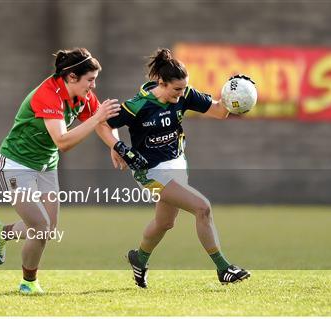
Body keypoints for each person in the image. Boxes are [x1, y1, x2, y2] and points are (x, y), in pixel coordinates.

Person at [96, 48, 251, 288]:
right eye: (176, 89)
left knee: (165, 223)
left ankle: (139, 258)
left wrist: (233, 92)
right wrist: (117, 146)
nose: (181, 95)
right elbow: (102, 123)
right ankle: (223, 269)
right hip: (150, 172)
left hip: (177, 165)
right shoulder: (138, 105)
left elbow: (220, 112)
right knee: (203, 208)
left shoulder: (186, 94)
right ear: (161, 82)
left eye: (183, 89)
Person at [0, 48, 120, 294]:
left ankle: (2, 232)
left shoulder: (80, 95)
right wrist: (96, 119)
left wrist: (116, 146)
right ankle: (28, 283)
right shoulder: (48, 95)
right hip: (16, 164)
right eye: (90, 80)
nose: (93, 86)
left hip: (46, 164)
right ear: (72, 77)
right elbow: (63, 142)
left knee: (48, 229)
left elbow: (102, 121)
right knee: (40, 227)